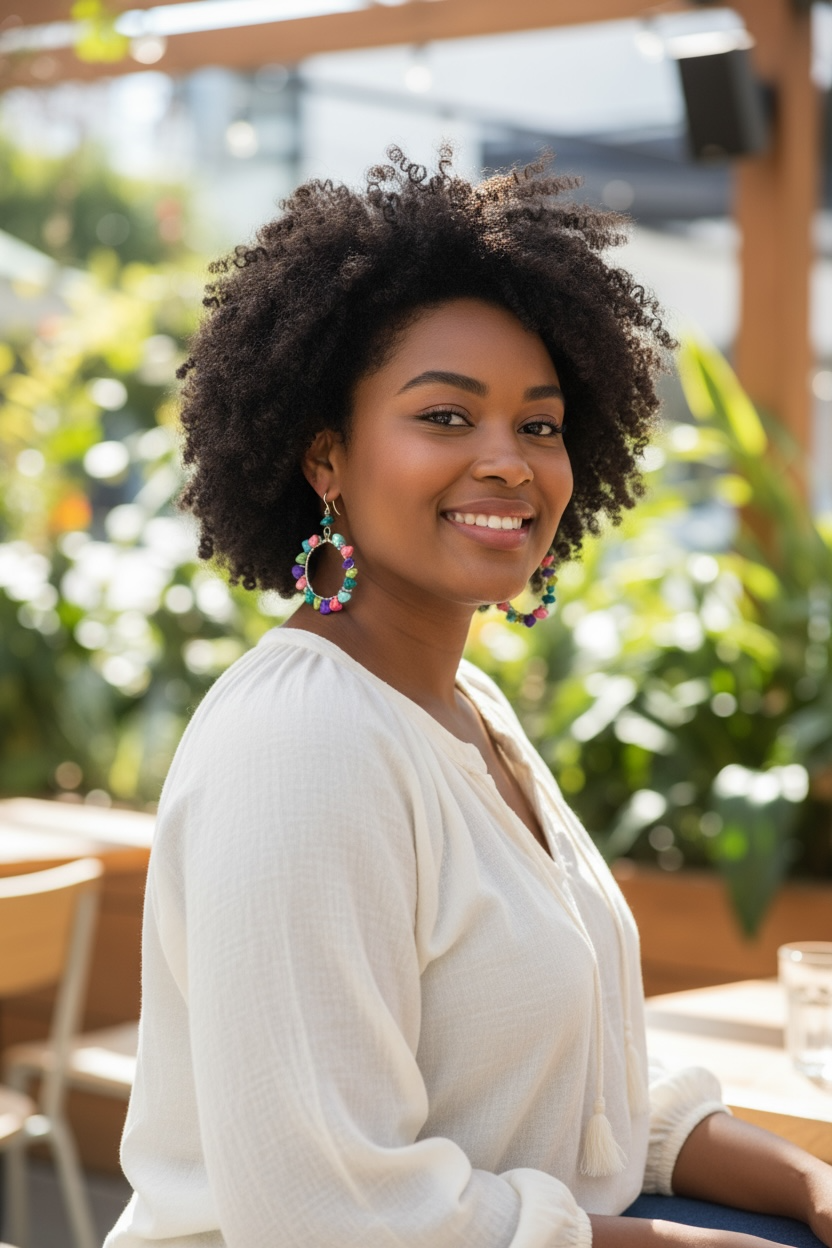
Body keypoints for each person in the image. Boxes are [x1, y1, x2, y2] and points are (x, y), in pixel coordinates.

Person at [105, 148, 832, 1248]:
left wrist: (808, 1186)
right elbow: (328, 1214)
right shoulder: (303, 744)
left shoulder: (463, 705)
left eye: (538, 425)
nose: (508, 461)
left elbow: (581, 1093)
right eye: (444, 416)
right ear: (324, 458)